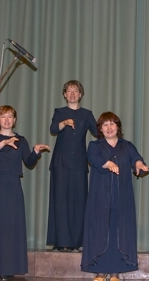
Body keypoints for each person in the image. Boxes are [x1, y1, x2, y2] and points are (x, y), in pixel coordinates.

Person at [0, 105, 50, 281]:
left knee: (9, 227)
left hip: (12, 185)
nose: (7, 120)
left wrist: (36, 152)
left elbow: (29, 162)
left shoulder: (20, 140)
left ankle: (8, 268)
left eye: (10, 117)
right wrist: (3, 143)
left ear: (15, 120)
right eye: (3, 117)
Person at [81, 112, 149, 281]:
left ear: (118, 127)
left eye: (112, 124)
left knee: (118, 233)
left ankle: (115, 272)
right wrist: (108, 163)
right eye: (105, 125)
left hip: (122, 198)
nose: (109, 128)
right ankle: (99, 270)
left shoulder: (127, 146)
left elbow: (136, 158)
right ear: (100, 129)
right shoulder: (95, 145)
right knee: (100, 233)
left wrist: (139, 164)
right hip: (100, 199)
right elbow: (93, 159)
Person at [47, 80, 97, 252]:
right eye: (69, 91)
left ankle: (77, 242)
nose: (72, 94)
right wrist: (64, 123)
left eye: (76, 91)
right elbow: (53, 129)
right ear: (64, 94)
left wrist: (111, 126)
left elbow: (98, 132)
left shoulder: (87, 114)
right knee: (60, 202)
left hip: (79, 163)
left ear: (81, 94)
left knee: (78, 202)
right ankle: (60, 242)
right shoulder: (59, 112)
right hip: (60, 163)